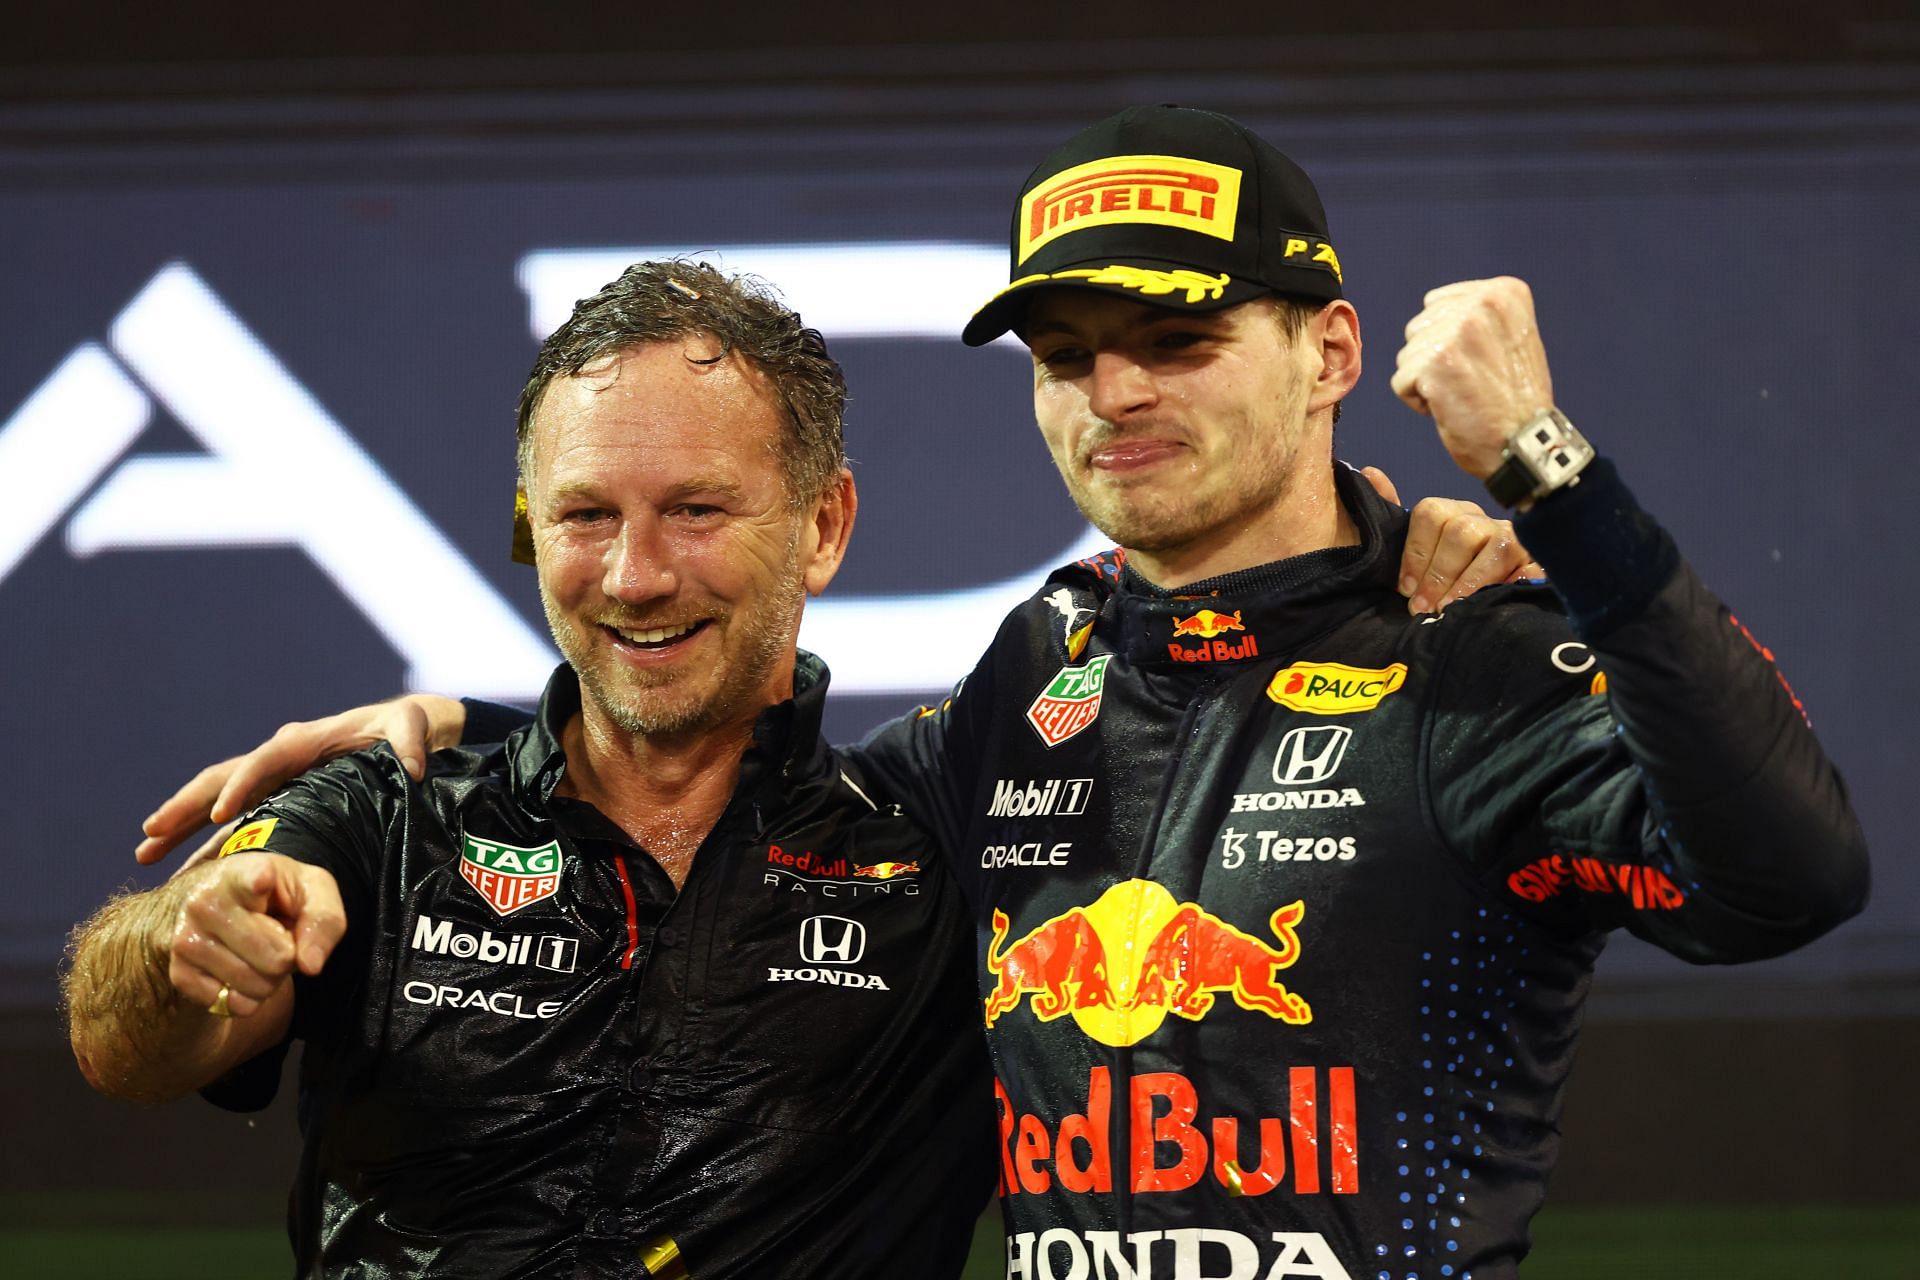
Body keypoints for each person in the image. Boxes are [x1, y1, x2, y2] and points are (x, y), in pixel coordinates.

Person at [120, 104, 1860, 1278]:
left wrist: (1553, 483)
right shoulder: (1037, 675)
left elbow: (1789, 878)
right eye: (1068, 354)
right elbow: (726, 781)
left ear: (1331, 352)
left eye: (1177, 341)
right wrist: (466, 743)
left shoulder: (1476, 659)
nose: (1116, 392)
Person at [63, 262, 1000, 1278]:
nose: (635, 577)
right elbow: (123, 1048)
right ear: (530, 523)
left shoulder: (938, 860)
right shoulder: (393, 805)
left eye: (695, 511)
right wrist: (180, 944)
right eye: (585, 514)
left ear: (824, 525)